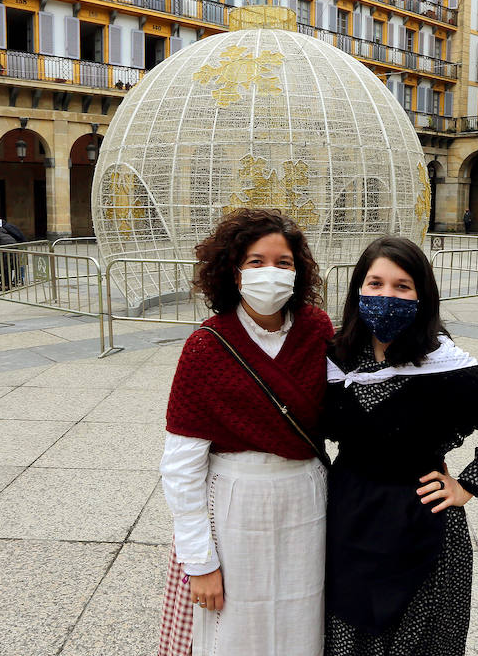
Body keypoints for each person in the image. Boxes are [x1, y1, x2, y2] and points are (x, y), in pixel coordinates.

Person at [323, 236, 478, 656]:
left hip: (421, 521)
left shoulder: (443, 365)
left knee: (416, 640)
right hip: (349, 516)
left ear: (422, 295)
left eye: (402, 286)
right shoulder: (334, 357)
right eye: (375, 284)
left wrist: (468, 484)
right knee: (347, 636)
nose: (387, 296)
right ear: (357, 290)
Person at [158, 208, 334, 656]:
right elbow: (181, 466)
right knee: (236, 625)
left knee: (303, 615)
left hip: (307, 498)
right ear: (233, 273)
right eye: (256, 262)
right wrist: (199, 562)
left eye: (284, 262)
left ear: (299, 271)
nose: (270, 273)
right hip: (236, 504)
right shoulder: (207, 345)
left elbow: (358, 407)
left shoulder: (318, 330)